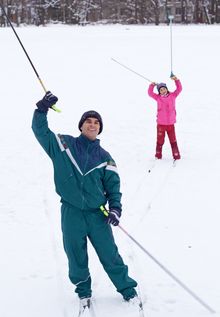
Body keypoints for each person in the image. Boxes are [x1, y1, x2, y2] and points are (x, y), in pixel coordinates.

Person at [32, 92, 137, 303]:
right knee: (75, 254)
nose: (92, 125)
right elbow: (40, 131)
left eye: (96, 122)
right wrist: (42, 109)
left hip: (97, 214)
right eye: (88, 121)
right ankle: (83, 291)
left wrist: (115, 208)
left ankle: (127, 289)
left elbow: (114, 188)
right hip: (71, 211)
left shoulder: (105, 158)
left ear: (100, 128)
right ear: (81, 126)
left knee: (110, 254)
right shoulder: (63, 145)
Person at [148, 75, 182, 160]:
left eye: (164, 89)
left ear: (167, 89)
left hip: (171, 124)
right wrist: (152, 86)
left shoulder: (173, 96)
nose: (163, 91)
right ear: (159, 92)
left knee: (173, 140)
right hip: (161, 125)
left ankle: (176, 155)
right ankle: (158, 154)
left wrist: (176, 80)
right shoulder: (158, 98)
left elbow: (179, 89)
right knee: (160, 141)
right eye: (161, 90)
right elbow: (150, 93)